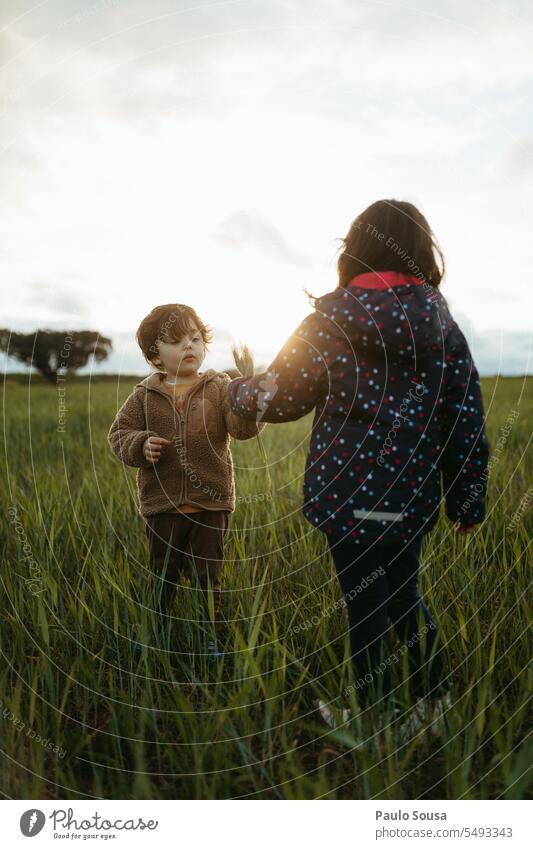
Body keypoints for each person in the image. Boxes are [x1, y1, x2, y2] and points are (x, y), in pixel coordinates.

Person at [227, 199, 490, 733]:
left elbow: (281, 398)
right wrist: (467, 499)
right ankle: (432, 708)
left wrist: (234, 392)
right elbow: (465, 417)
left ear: (354, 251)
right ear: (422, 252)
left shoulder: (328, 321)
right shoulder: (441, 325)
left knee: (363, 605)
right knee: (405, 594)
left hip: (346, 495)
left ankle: (372, 718)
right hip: (409, 497)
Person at [107, 303, 263, 655]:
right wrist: (140, 444)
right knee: (163, 574)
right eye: (176, 341)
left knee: (208, 577)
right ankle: (153, 634)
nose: (189, 346)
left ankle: (209, 638)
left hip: (211, 504)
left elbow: (240, 430)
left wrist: (248, 403)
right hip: (162, 505)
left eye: (195, 338)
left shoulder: (219, 387)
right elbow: (118, 433)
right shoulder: (144, 396)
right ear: (155, 356)